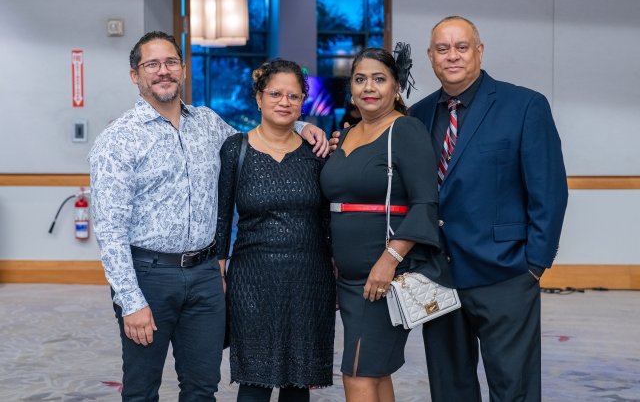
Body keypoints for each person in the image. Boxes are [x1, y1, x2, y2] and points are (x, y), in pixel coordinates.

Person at [89, 31, 330, 401]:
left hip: (204, 276)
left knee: (202, 387)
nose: (163, 71)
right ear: (135, 75)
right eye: (152, 64)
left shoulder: (207, 123)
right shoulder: (118, 139)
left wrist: (302, 126)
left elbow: (260, 138)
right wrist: (130, 300)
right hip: (150, 275)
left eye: (171, 62)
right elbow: (110, 229)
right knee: (141, 389)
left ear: (183, 69)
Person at [410, 16, 569, 402]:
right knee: (450, 389)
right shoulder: (418, 115)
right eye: (442, 49)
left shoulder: (524, 105)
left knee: (513, 388)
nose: (452, 56)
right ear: (431, 56)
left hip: (505, 273)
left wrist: (535, 264)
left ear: (479, 52)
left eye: (461, 47)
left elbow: (549, 190)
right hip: (439, 275)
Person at [320, 45, 452, 402]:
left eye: (379, 79)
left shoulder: (405, 130)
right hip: (348, 278)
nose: (369, 87)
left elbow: (425, 204)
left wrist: (389, 260)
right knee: (374, 371)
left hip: (384, 276)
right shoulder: (345, 135)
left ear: (396, 86)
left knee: (357, 373)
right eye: (360, 79)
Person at [215, 59, 336, 402]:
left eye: (293, 96)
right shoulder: (235, 149)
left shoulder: (317, 152)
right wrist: (218, 273)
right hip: (252, 280)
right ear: (259, 98)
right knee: (254, 381)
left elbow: (326, 219)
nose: (284, 102)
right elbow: (221, 219)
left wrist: (337, 267)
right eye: (275, 94)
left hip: (309, 279)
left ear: (302, 102)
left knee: (298, 383)